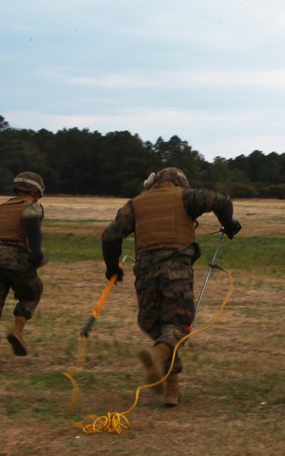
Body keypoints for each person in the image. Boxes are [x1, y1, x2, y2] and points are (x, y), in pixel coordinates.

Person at [100, 167, 241, 408]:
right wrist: (229, 225)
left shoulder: (135, 203)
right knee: (178, 324)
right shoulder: (184, 196)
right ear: (179, 182)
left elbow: (110, 236)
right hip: (175, 268)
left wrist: (112, 268)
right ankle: (157, 356)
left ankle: (171, 388)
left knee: (154, 324)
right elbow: (222, 200)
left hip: (145, 272)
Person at [0, 172, 47, 375]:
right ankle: (18, 329)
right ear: (34, 192)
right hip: (17, 260)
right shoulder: (31, 206)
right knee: (32, 292)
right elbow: (31, 223)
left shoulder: (1, 208)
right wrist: (37, 254)